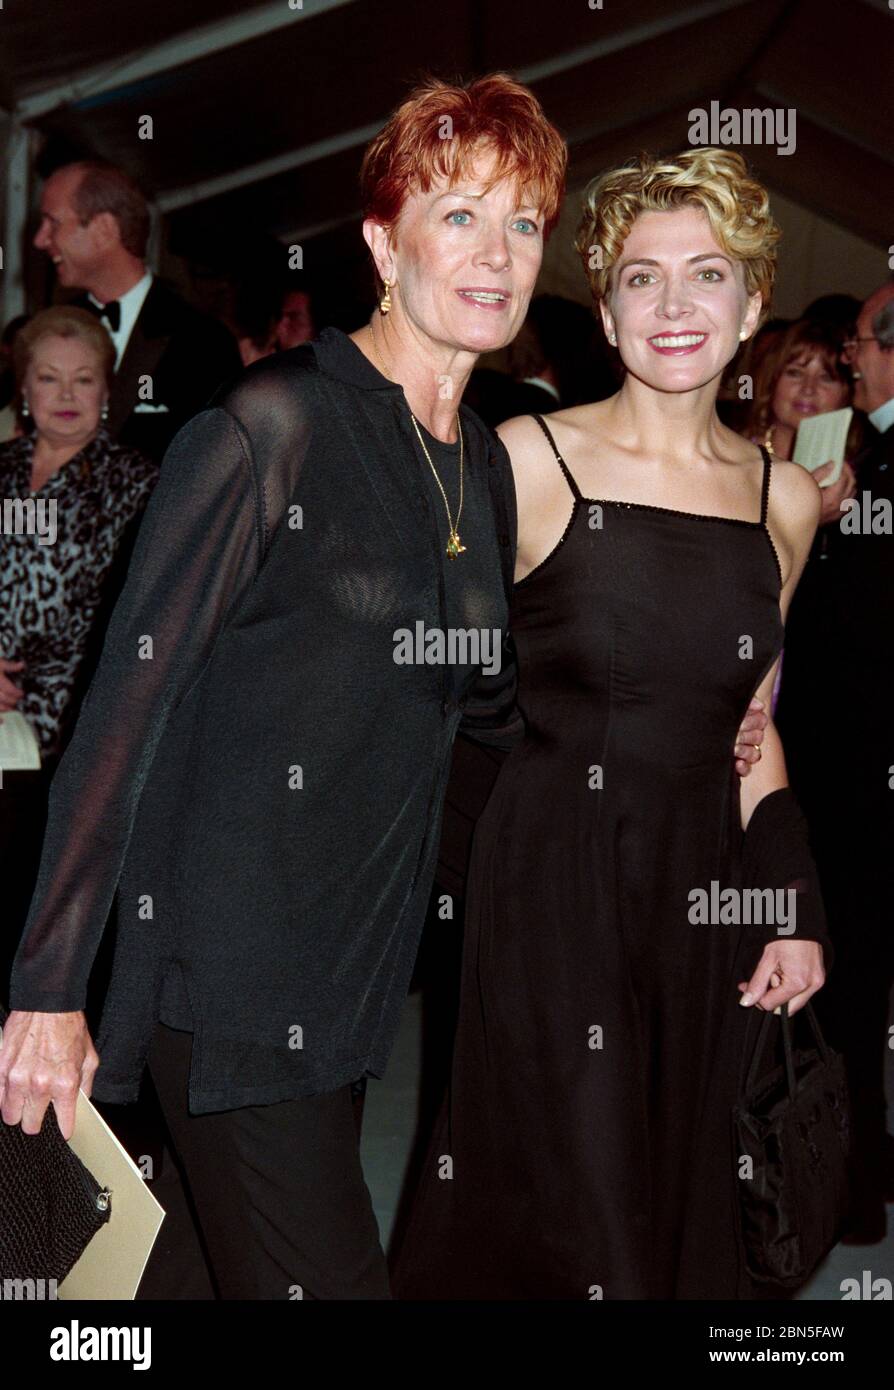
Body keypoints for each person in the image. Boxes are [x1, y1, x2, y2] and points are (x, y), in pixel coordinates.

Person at [0, 81, 765, 1302]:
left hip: (354, 986)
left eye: (523, 225)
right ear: (381, 240)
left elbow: (494, 723)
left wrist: (673, 734)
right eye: (458, 216)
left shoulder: (477, 463)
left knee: (170, 1292)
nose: (496, 254)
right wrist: (44, 991)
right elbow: (123, 710)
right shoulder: (273, 424)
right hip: (235, 981)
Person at [392, 148, 833, 1301]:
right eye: (643, 278)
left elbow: (756, 726)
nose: (675, 304)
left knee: (679, 1193)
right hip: (549, 886)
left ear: (751, 307)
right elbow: (425, 687)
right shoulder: (526, 459)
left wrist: (791, 906)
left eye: (707, 275)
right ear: (606, 306)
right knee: (577, 1213)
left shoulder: (779, 499)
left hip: (705, 894)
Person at [776, 281, 894, 1242]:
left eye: (852, 345)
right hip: (838, 762)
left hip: (850, 768)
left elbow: (845, 630)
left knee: (847, 980)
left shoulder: (869, 468)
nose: (846, 363)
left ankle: (847, 1189)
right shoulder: (862, 459)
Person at [0, 306, 156, 992]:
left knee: (34, 927)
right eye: (48, 378)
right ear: (23, 390)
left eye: (83, 380)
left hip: (74, 734)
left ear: (107, 390)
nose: (65, 396)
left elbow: (124, 617)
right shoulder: (0, 471)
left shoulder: (137, 486)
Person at [33, 160, 242, 463]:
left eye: (53, 223)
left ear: (104, 229)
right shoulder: (52, 330)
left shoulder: (204, 342)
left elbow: (220, 469)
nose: (40, 240)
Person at [742, 317, 859, 528]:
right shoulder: (734, 461)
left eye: (826, 377)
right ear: (772, 382)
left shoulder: (857, 479)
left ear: (846, 393)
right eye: (795, 373)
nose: (808, 389)